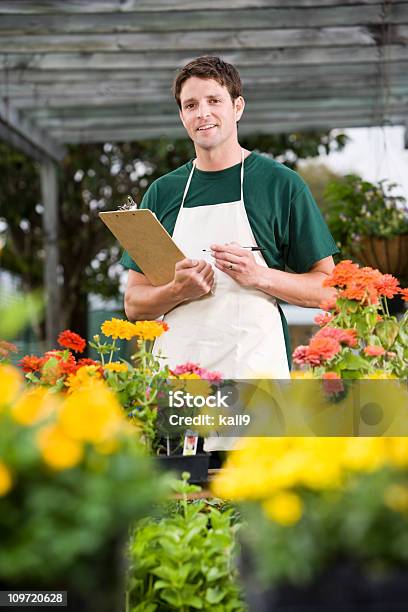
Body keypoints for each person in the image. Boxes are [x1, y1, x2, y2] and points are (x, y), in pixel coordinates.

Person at [121, 56, 338, 448]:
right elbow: (134, 305)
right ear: (182, 116)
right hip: (179, 387)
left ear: (237, 107)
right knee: (180, 498)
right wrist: (177, 291)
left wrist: (260, 276)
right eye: (190, 105)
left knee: (253, 499)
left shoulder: (280, 185)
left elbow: (329, 289)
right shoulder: (162, 193)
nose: (202, 113)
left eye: (213, 100)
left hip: (253, 377)